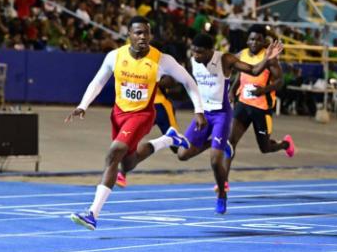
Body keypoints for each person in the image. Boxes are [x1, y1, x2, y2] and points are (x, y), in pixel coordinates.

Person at [66, 16, 207, 230]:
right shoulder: (115, 56)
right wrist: (83, 105)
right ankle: (167, 139)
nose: (143, 37)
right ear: (129, 35)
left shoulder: (162, 60)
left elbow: (188, 81)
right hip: (119, 114)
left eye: (146, 33)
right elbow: (98, 81)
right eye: (138, 33)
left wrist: (198, 109)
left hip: (142, 115)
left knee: (114, 153)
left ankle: (92, 213)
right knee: (127, 163)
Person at [120, 32, 283, 215]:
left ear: (210, 51)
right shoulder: (193, 61)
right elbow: (186, 83)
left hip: (221, 114)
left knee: (215, 160)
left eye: (200, 52)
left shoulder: (225, 60)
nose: (196, 55)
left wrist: (267, 58)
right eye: (194, 51)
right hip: (203, 113)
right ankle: (221, 143)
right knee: (182, 155)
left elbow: (253, 70)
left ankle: (221, 194)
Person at [224, 24, 295, 187]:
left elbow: (280, 82)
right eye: (251, 39)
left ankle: (285, 144)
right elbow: (241, 75)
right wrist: (232, 91)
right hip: (243, 105)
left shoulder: (270, 58)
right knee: (230, 141)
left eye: (258, 39)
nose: (254, 42)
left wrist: (263, 90)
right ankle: (224, 181)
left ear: (264, 41)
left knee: (265, 147)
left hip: (261, 109)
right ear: (247, 40)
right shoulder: (241, 54)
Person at [115, 75, 180, 188]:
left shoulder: (162, 60)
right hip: (141, 106)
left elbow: (171, 80)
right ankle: (121, 173)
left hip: (160, 106)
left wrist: (153, 80)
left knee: (178, 148)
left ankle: (214, 143)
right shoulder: (126, 61)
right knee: (128, 140)